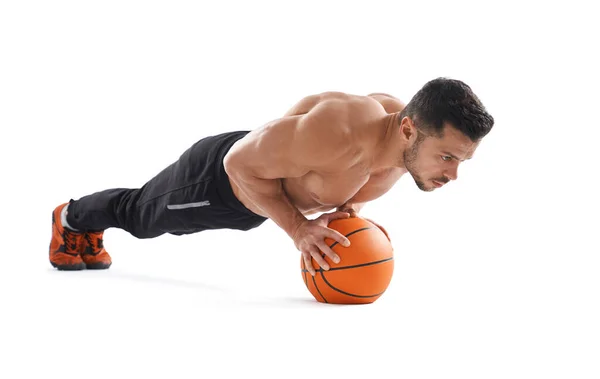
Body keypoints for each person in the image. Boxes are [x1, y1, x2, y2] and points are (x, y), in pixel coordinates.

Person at [49, 77, 494, 276]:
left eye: (461, 162)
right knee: (142, 217)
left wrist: (348, 213)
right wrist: (299, 228)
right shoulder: (341, 129)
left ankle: (82, 225)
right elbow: (239, 165)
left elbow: (347, 179)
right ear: (410, 129)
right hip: (219, 180)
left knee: (145, 216)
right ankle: (71, 219)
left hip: (263, 189)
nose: (452, 174)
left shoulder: (403, 140)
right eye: (448, 157)